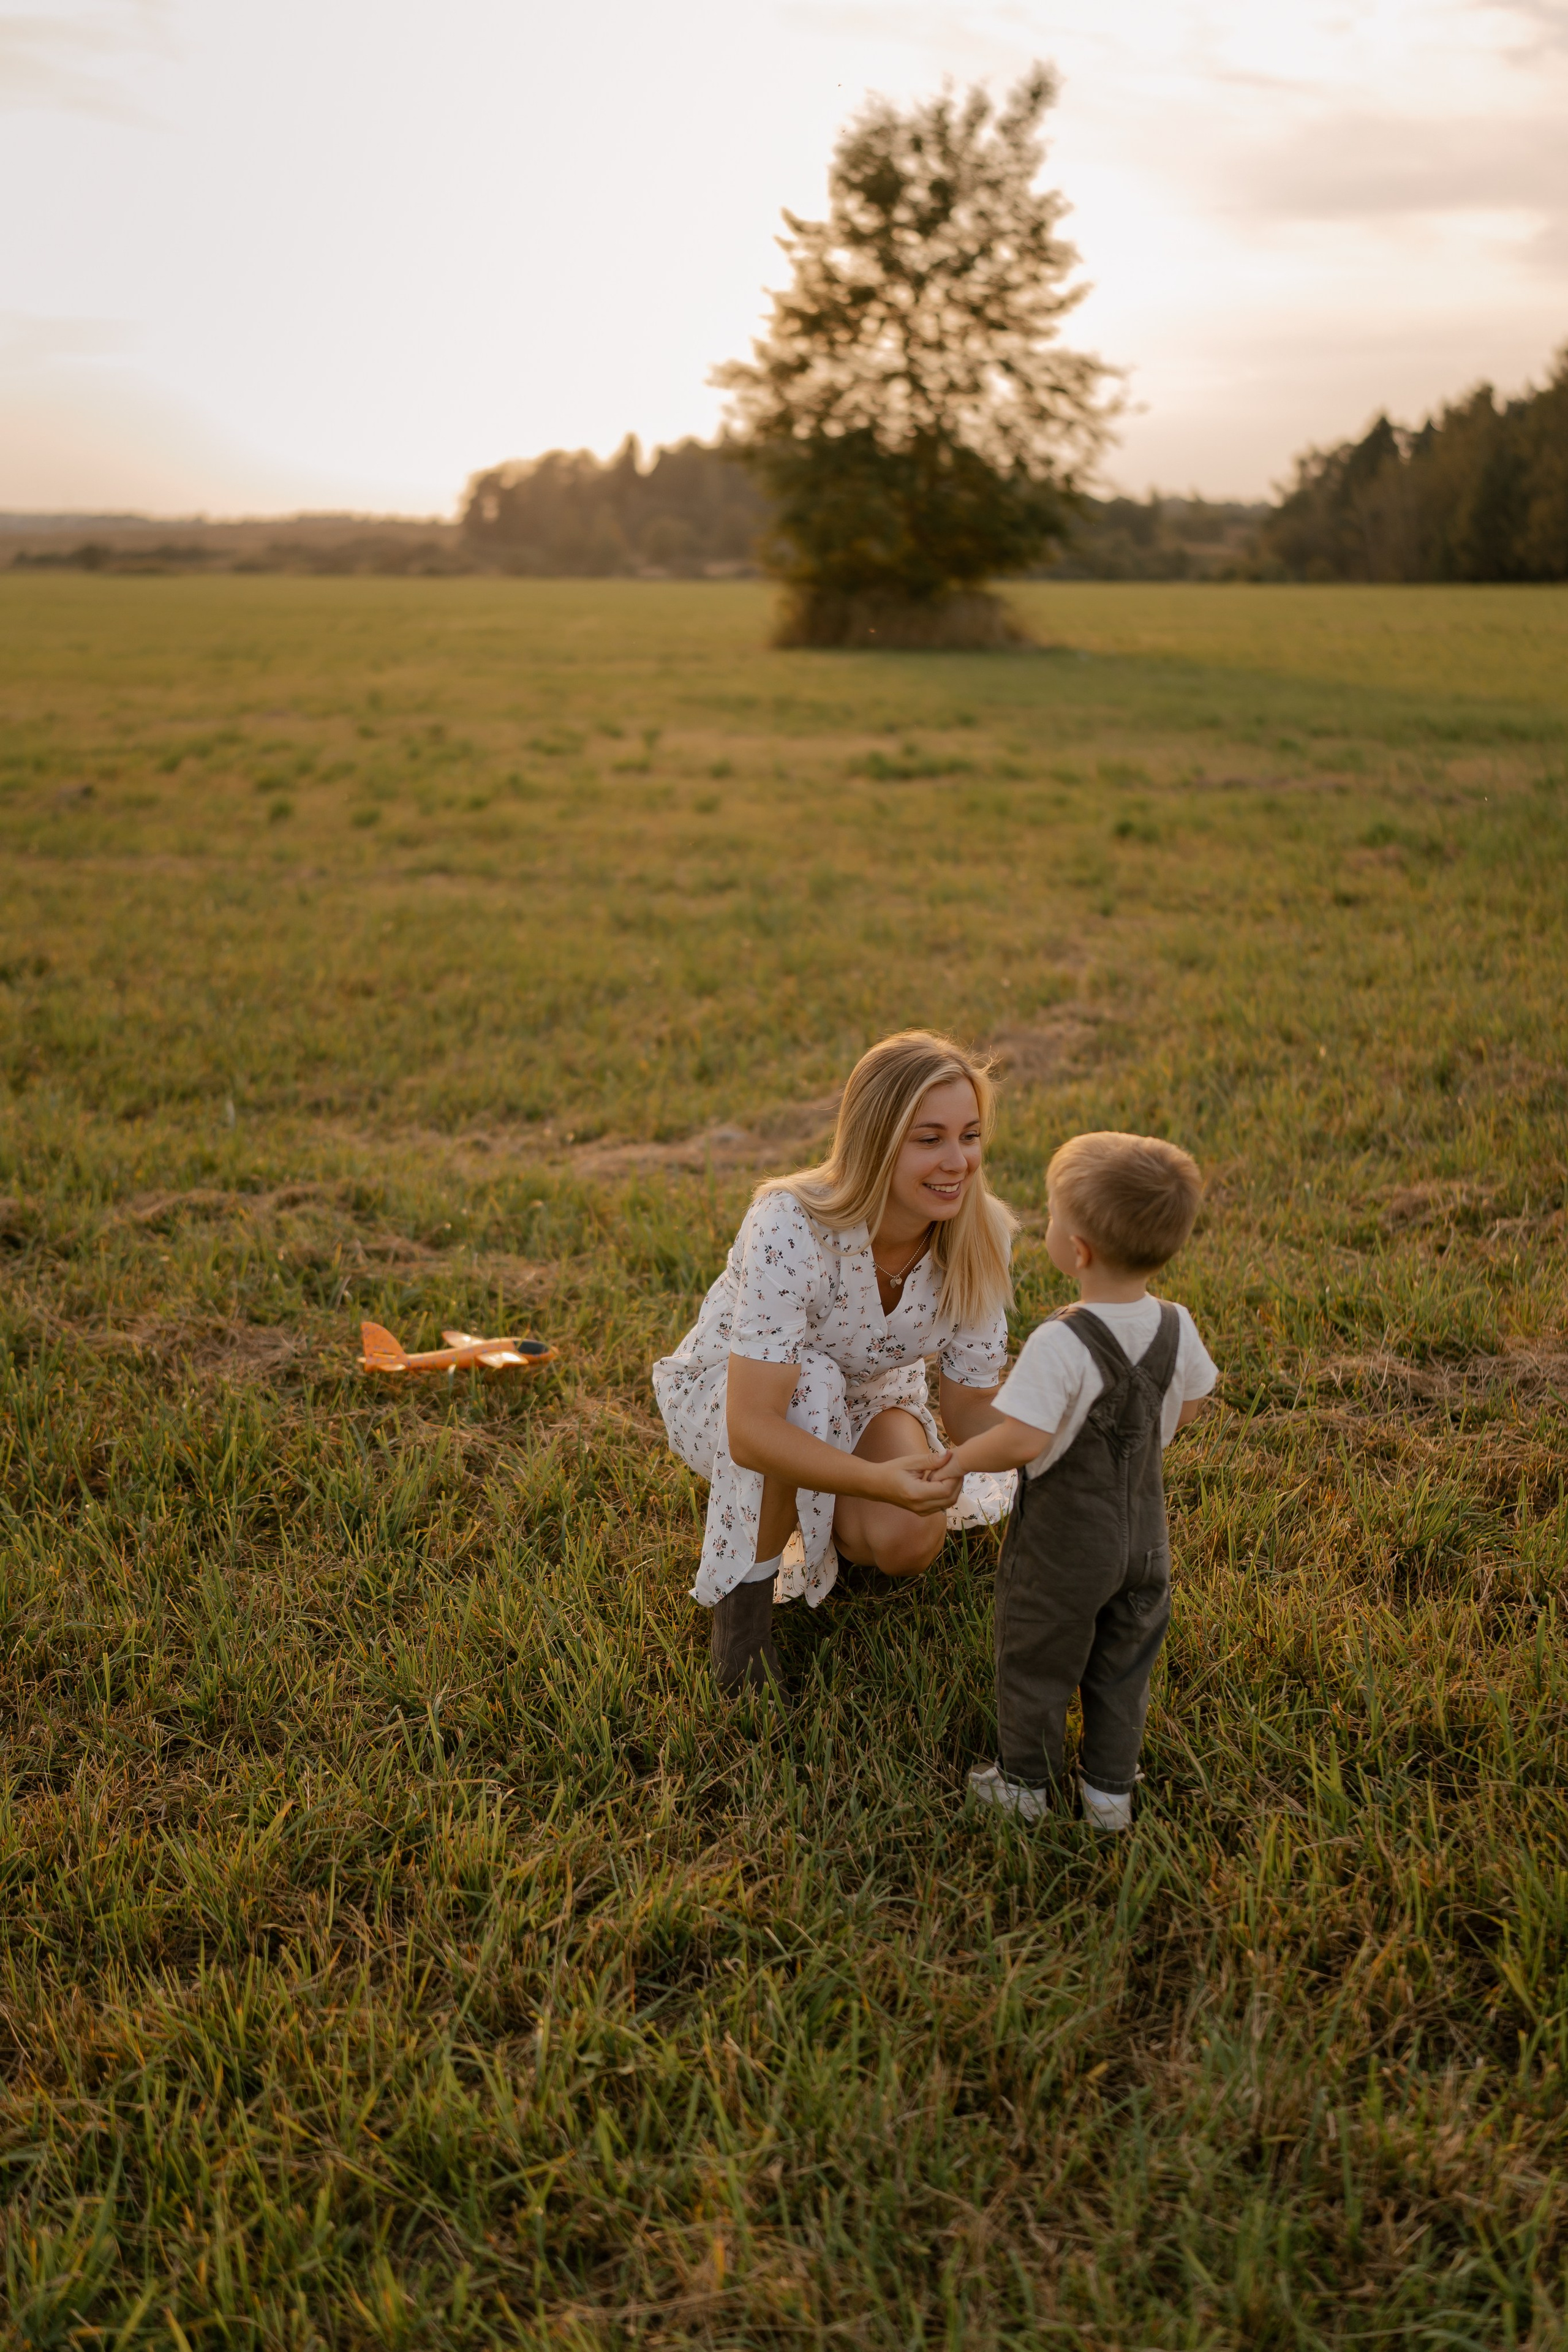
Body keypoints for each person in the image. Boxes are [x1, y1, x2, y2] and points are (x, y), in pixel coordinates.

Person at [652, 1031, 1019, 1698]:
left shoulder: (980, 1234)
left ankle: (822, 1520)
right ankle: (744, 1621)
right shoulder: (790, 1222)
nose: (958, 1161)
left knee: (906, 1539)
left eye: (969, 1135)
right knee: (806, 1389)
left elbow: (969, 1410)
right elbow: (753, 1427)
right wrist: (874, 1479)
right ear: (875, 1141)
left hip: (871, 1396)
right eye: (928, 1138)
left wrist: (1062, 1417)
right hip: (737, 1397)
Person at [930, 1130, 1218, 1831]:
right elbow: (1193, 1399)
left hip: (1062, 1549)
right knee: (1122, 1665)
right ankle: (1109, 1793)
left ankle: (1025, 1784)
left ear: (1078, 1249)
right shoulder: (1177, 1326)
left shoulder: (1063, 1341)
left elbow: (1021, 1438)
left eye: (1055, 1217)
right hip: (1145, 1543)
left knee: (1035, 1656)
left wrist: (959, 1461)